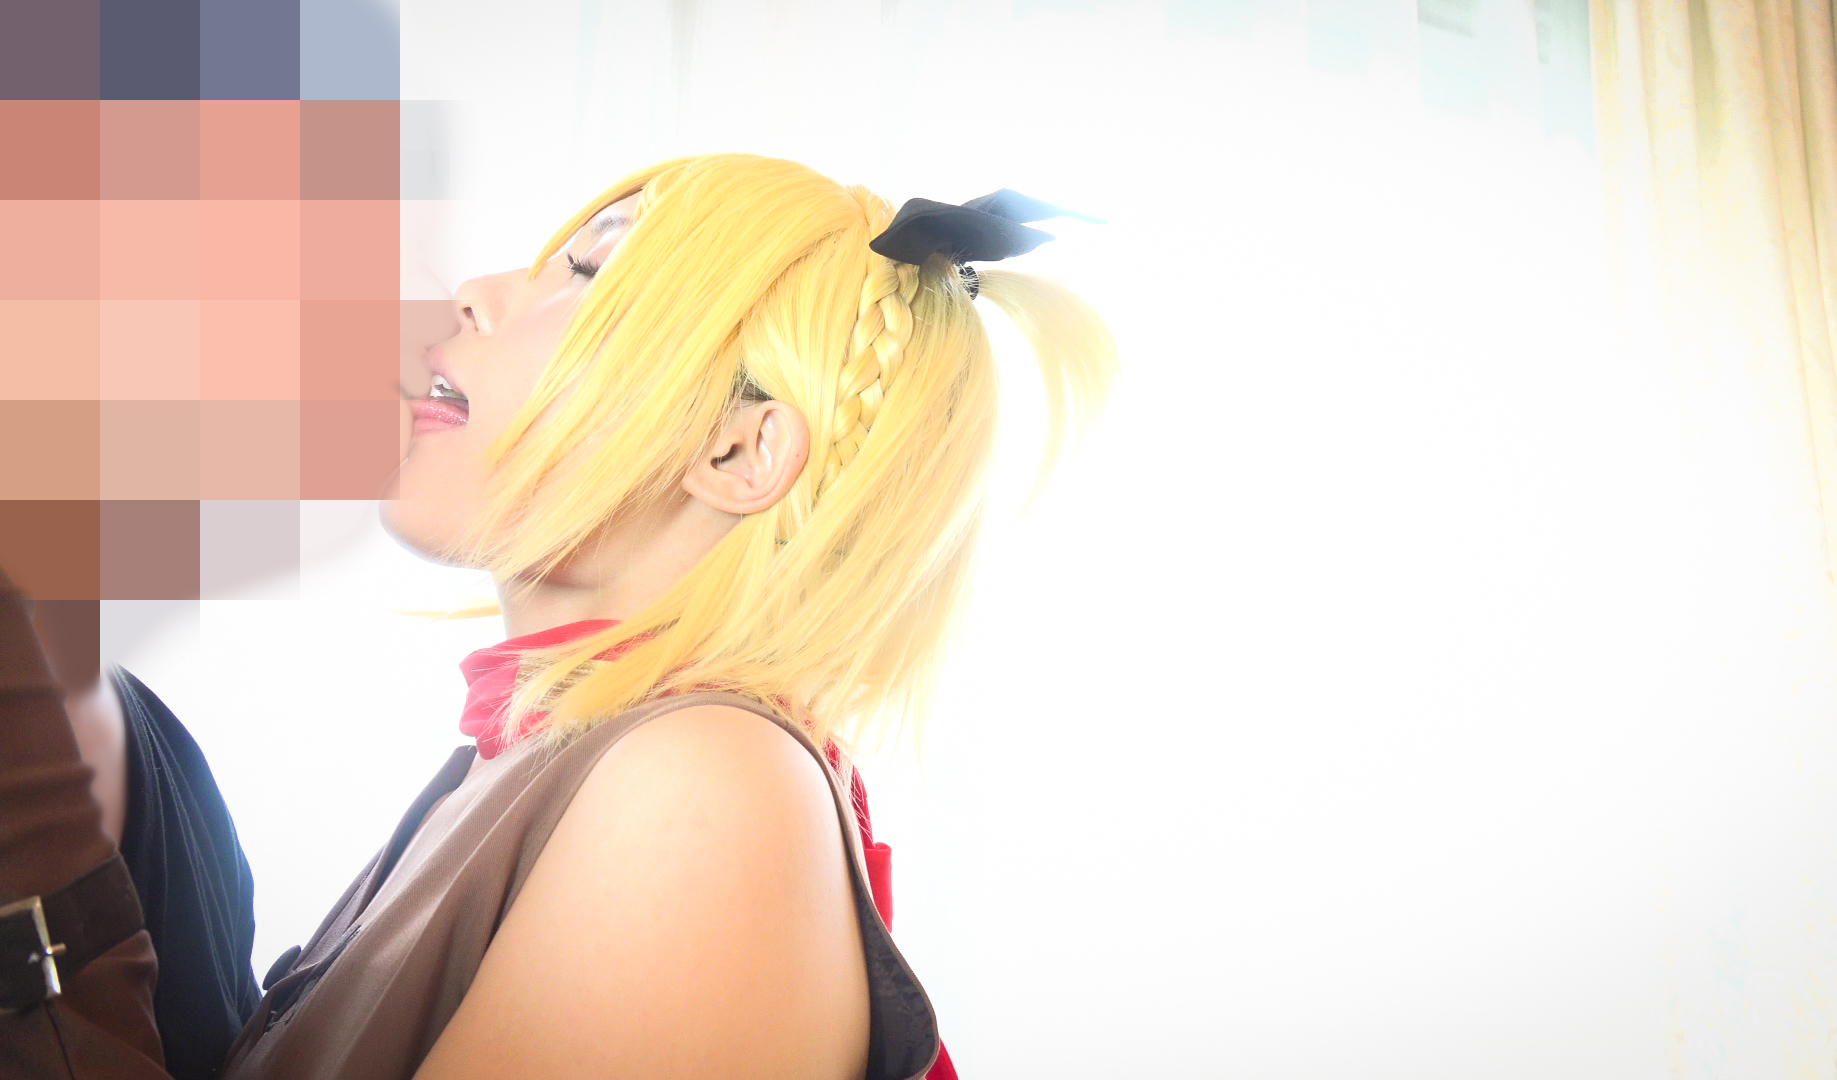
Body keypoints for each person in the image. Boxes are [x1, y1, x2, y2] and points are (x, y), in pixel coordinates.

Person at [1, 151, 1115, 1079]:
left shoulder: (707, 790)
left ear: (741, 449)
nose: (478, 293)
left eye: (587, 273)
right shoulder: (540, 764)